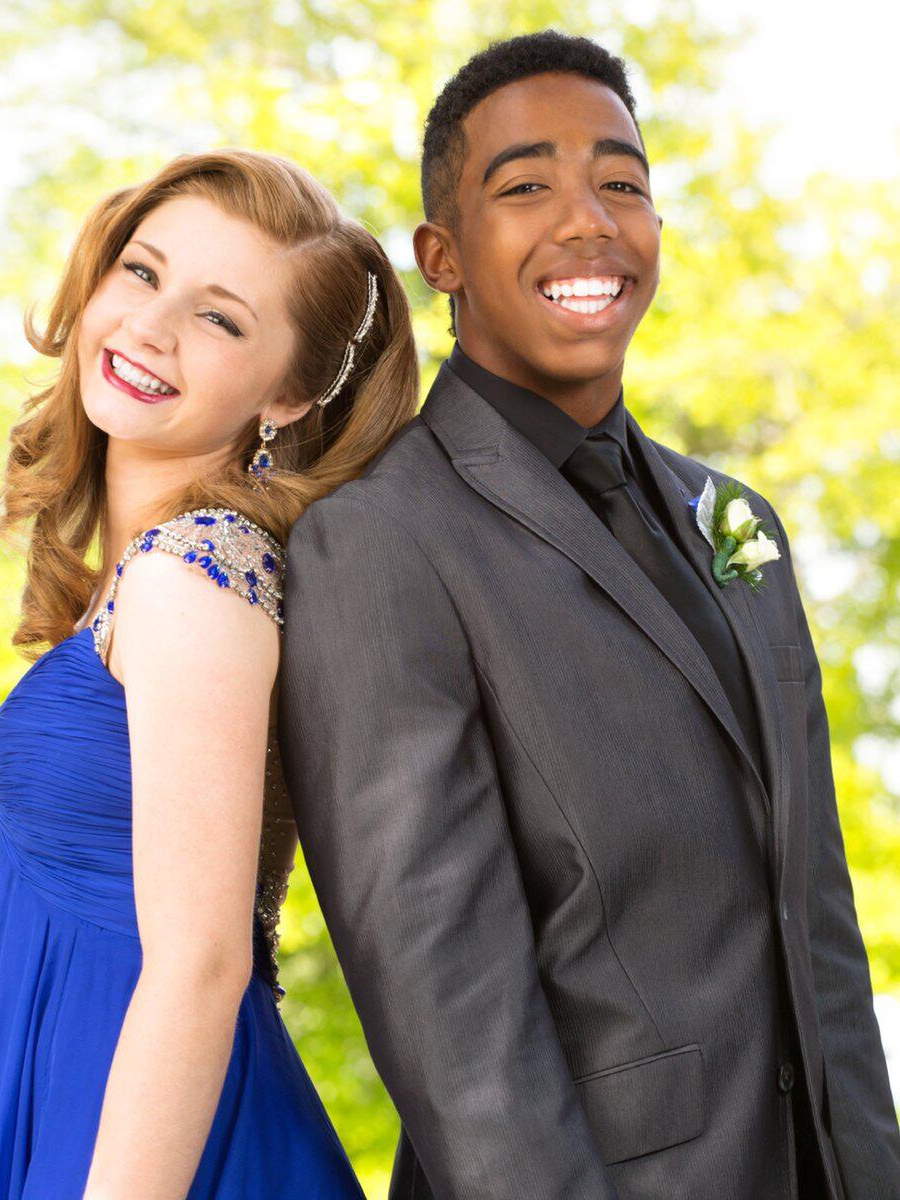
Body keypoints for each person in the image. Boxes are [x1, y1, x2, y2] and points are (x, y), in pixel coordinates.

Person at [279, 31, 900, 1200]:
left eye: (622, 183)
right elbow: (448, 1009)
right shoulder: (379, 542)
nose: (588, 220)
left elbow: (818, 924)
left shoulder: (738, 523)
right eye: (525, 188)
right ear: (442, 254)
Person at [0, 148, 418, 1199]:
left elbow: (201, 963)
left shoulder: (196, 573)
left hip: (135, 1153)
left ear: (289, 392)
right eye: (142, 273)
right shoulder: (144, 576)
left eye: (220, 318)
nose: (150, 325)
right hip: (56, 1110)